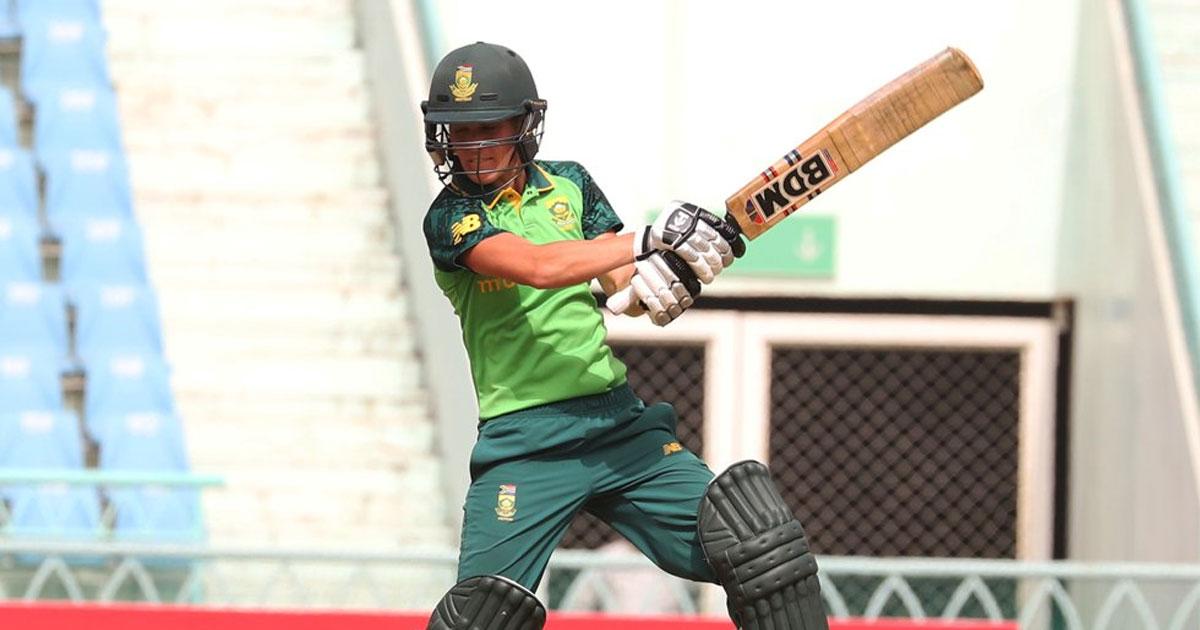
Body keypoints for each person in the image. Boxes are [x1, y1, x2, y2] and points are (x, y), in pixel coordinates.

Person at [419, 41, 829, 630]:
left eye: (489, 127)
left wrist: (667, 275)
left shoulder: (570, 184)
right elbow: (537, 266)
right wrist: (648, 238)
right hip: (525, 444)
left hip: (617, 427)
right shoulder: (450, 217)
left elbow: (618, 282)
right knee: (479, 619)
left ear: (523, 125)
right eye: (460, 131)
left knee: (761, 546)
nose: (474, 145)